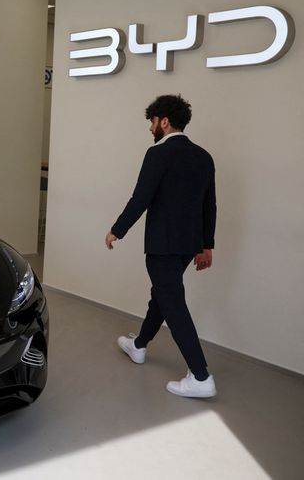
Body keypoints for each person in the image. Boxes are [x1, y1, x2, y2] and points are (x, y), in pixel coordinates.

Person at [105, 94, 217, 398]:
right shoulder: (204, 156)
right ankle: (139, 345)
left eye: (152, 121)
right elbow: (210, 206)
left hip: (162, 245)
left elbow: (141, 198)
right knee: (163, 295)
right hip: (188, 245)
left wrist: (117, 229)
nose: (150, 128)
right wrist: (206, 245)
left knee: (172, 301)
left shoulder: (157, 154)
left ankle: (200, 375)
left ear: (164, 121)